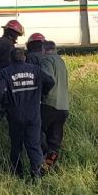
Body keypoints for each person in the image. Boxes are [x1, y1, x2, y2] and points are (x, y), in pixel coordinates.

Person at [0, 48, 54, 180]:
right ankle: (37, 176)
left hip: (15, 115)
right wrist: (42, 93)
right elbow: (50, 81)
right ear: (24, 58)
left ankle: (17, 174)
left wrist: (4, 104)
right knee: (34, 146)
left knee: (16, 146)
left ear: (11, 59)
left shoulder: (6, 72)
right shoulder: (35, 70)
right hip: (33, 115)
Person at [39, 40, 69, 173]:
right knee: (54, 141)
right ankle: (47, 167)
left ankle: (43, 156)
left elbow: (48, 79)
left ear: (44, 50)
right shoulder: (61, 62)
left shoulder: (47, 60)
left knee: (36, 131)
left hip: (49, 104)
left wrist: (42, 94)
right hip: (63, 106)